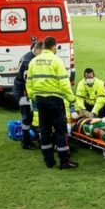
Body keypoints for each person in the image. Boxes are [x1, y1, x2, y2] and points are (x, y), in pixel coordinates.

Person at [26, 36, 77, 169]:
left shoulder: (34, 61)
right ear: (54, 46)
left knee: (45, 130)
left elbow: (29, 82)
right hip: (55, 100)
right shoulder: (57, 61)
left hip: (40, 100)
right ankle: (64, 161)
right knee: (60, 131)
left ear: (43, 47)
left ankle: (49, 160)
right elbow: (64, 83)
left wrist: (33, 96)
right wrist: (71, 98)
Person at [13, 39, 42, 151]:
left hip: (22, 92)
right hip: (24, 93)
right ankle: (26, 142)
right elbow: (26, 81)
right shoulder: (29, 61)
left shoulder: (27, 57)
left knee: (30, 117)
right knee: (27, 117)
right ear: (37, 49)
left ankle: (29, 139)